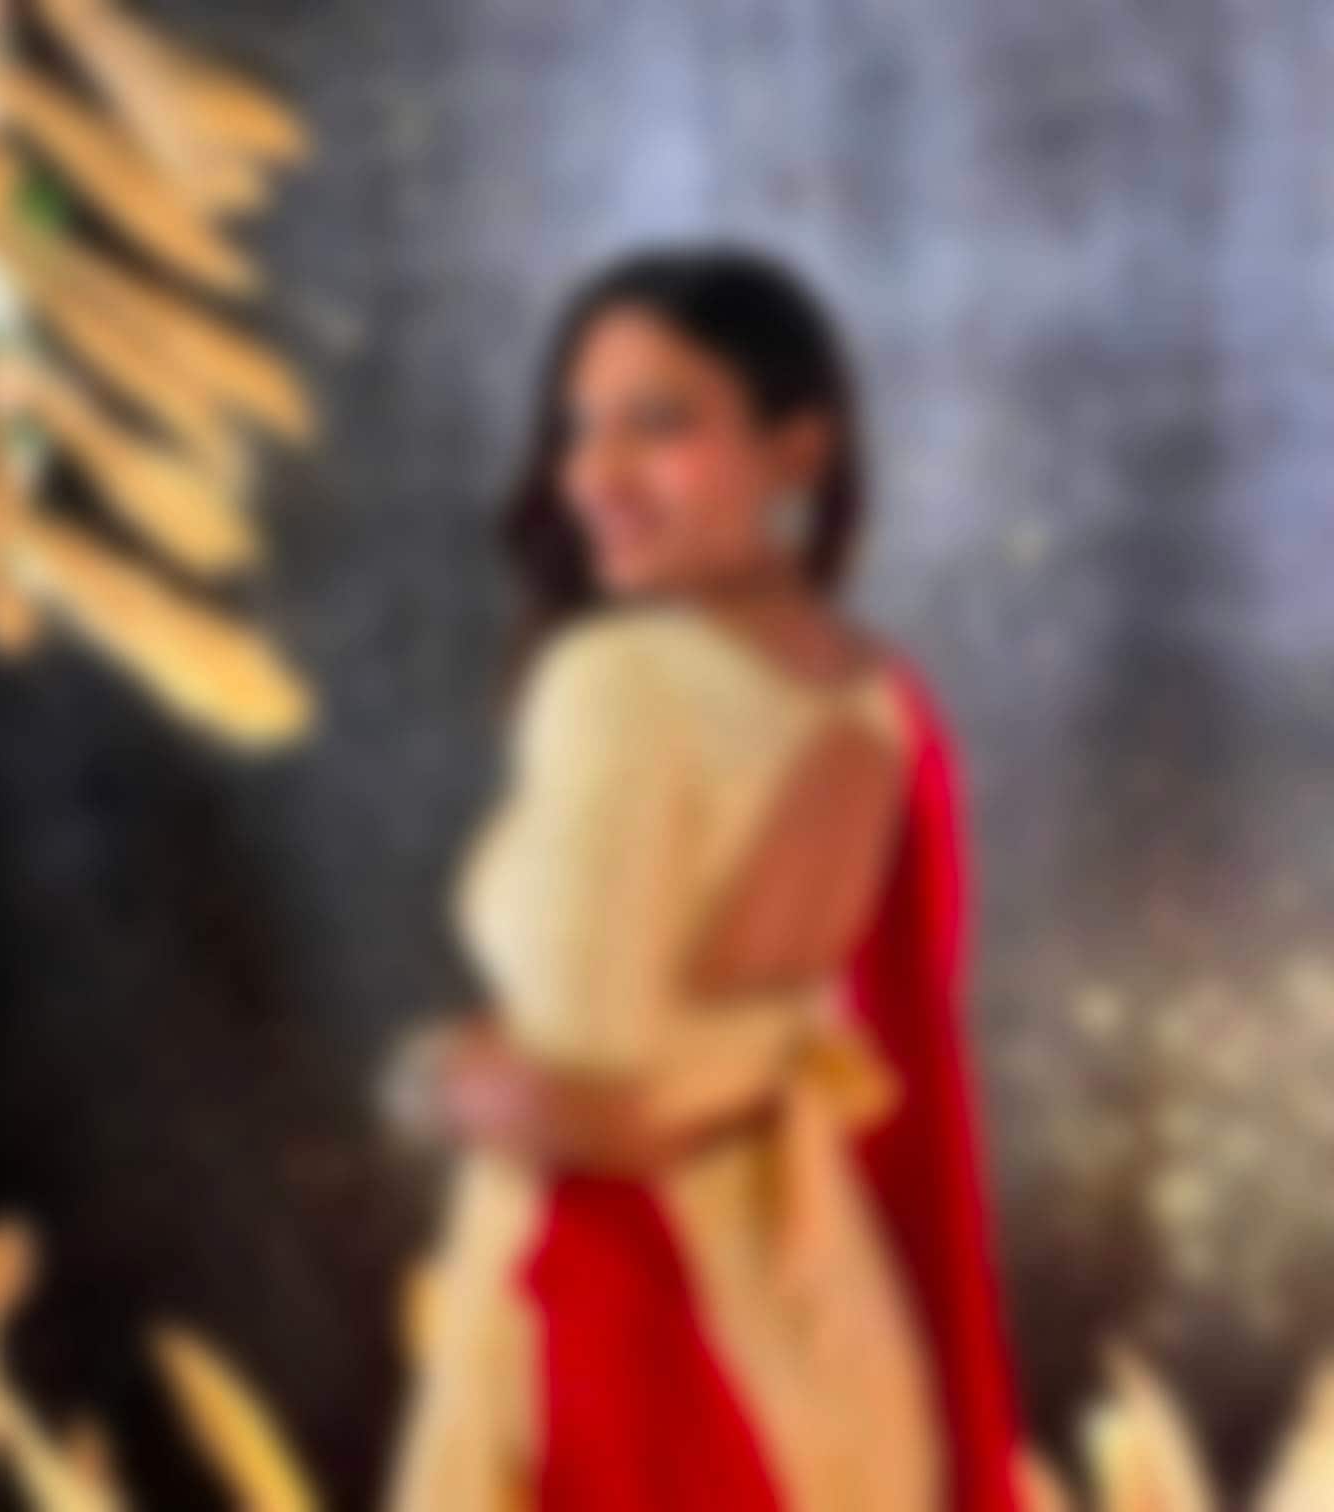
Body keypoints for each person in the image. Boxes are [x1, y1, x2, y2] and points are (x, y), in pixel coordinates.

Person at [387, 248, 1020, 1510]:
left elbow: (588, 1105)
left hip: (632, 1348)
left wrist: (430, 1077)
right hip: (821, 1340)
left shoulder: (621, 686)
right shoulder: (876, 699)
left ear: (797, 451)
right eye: (581, 428)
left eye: (660, 424)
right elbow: (849, 1047)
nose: (595, 475)